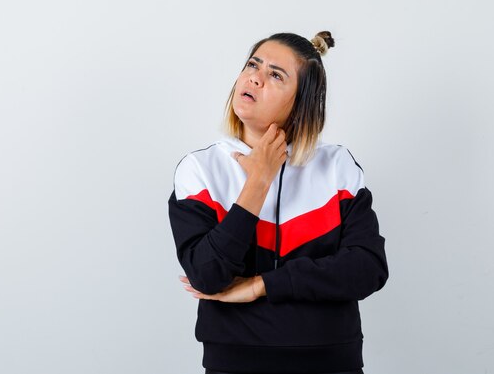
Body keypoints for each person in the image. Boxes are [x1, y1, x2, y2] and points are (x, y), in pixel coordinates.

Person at [167, 31, 389, 374]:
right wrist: (259, 181)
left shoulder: (337, 166)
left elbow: (367, 269)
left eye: (275, 75)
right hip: (235, 363)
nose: (254, 76)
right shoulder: (199, 170)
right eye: (252, 65)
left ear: (301, 102)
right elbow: (208, 275)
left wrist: (260, 286)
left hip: (330, 362)